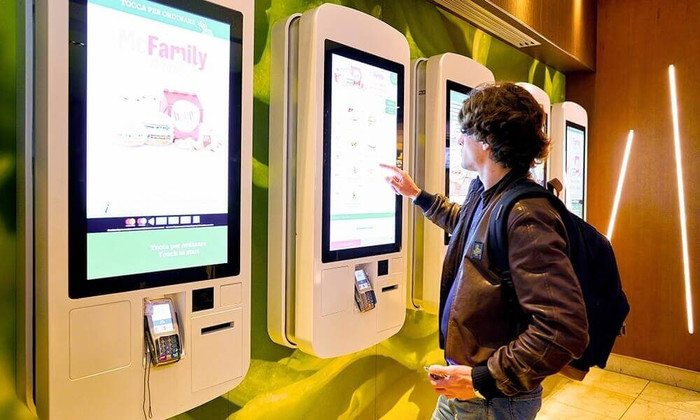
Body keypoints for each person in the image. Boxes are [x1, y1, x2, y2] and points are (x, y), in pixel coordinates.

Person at [381, 82, 589, 420]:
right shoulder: (488, 192)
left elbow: (562, 328)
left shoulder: (526, 215)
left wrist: (483, 381)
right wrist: (418, 195)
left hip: (493, 400)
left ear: (487, 141)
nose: (459, 141)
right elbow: (469, 226)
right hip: (468, 390)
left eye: (465, 132)